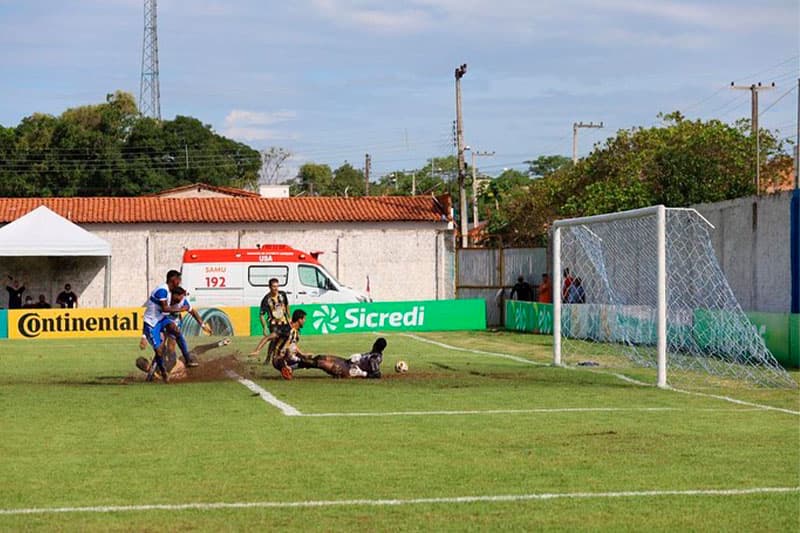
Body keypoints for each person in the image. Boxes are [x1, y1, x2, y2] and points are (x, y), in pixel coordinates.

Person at [142, 270, 188, 382]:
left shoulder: (169, 291)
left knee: (176, 330)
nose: (180, 282)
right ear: (173, 280)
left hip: (161, 319)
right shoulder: (163, 290)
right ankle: (162, 371)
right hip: (152, 323)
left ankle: (188, 358)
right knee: (159, 350)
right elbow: (165, 309)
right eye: (179, 279)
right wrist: (181, 309)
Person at [249, 278, 290, 362]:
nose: (276, 288)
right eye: (274, 286)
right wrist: (264, 327)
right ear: (269, 287)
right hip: (274, 323)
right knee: (274, 339)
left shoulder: (282, 295)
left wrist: (289, 317)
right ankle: (268, 357)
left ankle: (277, 357)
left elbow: (287, 305)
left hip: (284, 322)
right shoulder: (266, 299)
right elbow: (261, 314)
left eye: (277, 286)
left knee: (282, 339)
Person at [309, 338, 387, 379]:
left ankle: (300, 362)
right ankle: (302, 362)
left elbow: (377, 374)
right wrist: (358, 356)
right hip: (346, 362)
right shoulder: (372, 353)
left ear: (375, 344)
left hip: (349, 370)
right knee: (321, 357)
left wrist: (363, 373)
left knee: (321, 363)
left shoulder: (376, 358)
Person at [270, 309, 312, 380]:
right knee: (282, 358)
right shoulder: (288, 330)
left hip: (288, 357)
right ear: (299, 320)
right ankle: (285, 368)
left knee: (307, 361)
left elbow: (293, 345)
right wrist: (257, 350)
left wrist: (302, 354)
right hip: (279, 359)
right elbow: (283, 344)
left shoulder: (296, 332)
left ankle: (288, 368)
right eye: (304, 319)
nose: (305, 321)